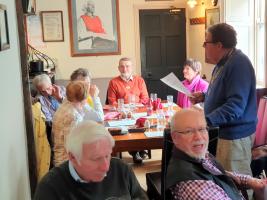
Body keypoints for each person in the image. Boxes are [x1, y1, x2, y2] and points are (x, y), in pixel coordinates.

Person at [191, 23, 257, 178]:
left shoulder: (239, 64)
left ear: (219, 45)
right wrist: (205, 97)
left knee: (237, 181)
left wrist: (206, 120)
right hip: (223, 132)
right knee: (223, 180)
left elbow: (235, 106)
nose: (204, 47)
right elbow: (224, 92)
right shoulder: (222, 63)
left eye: (206, 43)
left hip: (235, 137)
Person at [166, 108, 266, 200]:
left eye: (201, 129)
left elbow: (218, 173)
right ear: (175, 137)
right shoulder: (193, 185)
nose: (199, 137)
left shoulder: (195, 155)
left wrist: (250, 181)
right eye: (189, 131)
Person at [34, 120, 148, 200]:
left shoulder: (121, 169)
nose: (106, 167)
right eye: (96, 159)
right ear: (73, 157)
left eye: (107, 155)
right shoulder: (50, 188)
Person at [107, 57, 149, 163]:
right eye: (122, 66)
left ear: (132, 67)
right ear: (118, 68)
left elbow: (145, 98)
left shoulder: (139, 80)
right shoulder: (113, 82)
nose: (125, 69)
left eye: (127, 66)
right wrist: (124, 109)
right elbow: (111, 100)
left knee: (141, 124)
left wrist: (135, 106)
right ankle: (136, 152)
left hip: (138, 111)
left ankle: (139, 149)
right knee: (128, 125)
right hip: (122, 113)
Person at [52, 81, 103, 166]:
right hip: (66, 163)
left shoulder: (66, 105)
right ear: (85, 97)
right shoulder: (73, 116)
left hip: (63, 157)